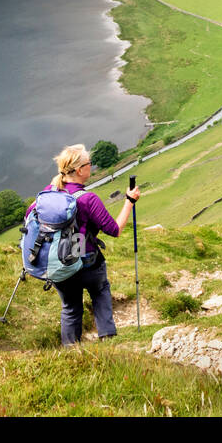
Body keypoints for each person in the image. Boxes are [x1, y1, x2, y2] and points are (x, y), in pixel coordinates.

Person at [28, 144, 140, 346]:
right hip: (87, 261)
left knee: (70, 307)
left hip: (60, 262)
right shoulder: (88, 199)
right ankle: (108, 344)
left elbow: (30, 219)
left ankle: (72, 353)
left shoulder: (47, 194)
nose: (92, 165)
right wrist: (129, 201)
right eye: (89, 163)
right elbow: (114, 230)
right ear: (79, 170)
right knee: (100, 291)